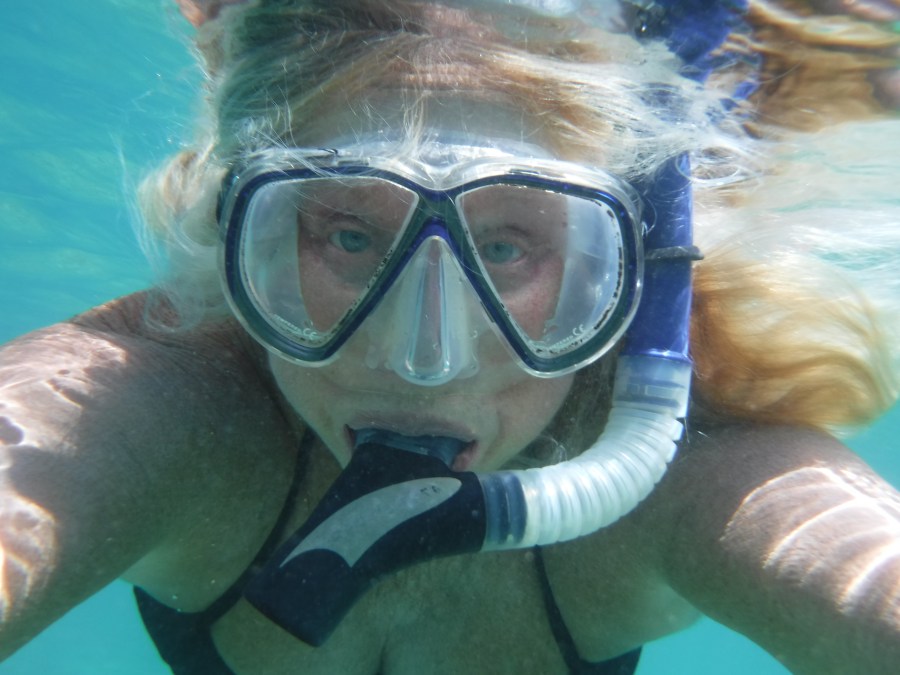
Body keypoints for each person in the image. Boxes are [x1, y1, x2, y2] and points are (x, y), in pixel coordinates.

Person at [2, 1, 900, 673]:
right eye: (349, 237)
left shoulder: (687, 477)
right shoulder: (152, 408)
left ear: (621, 277)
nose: (423, 362)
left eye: (507, 248)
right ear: (241, 237)